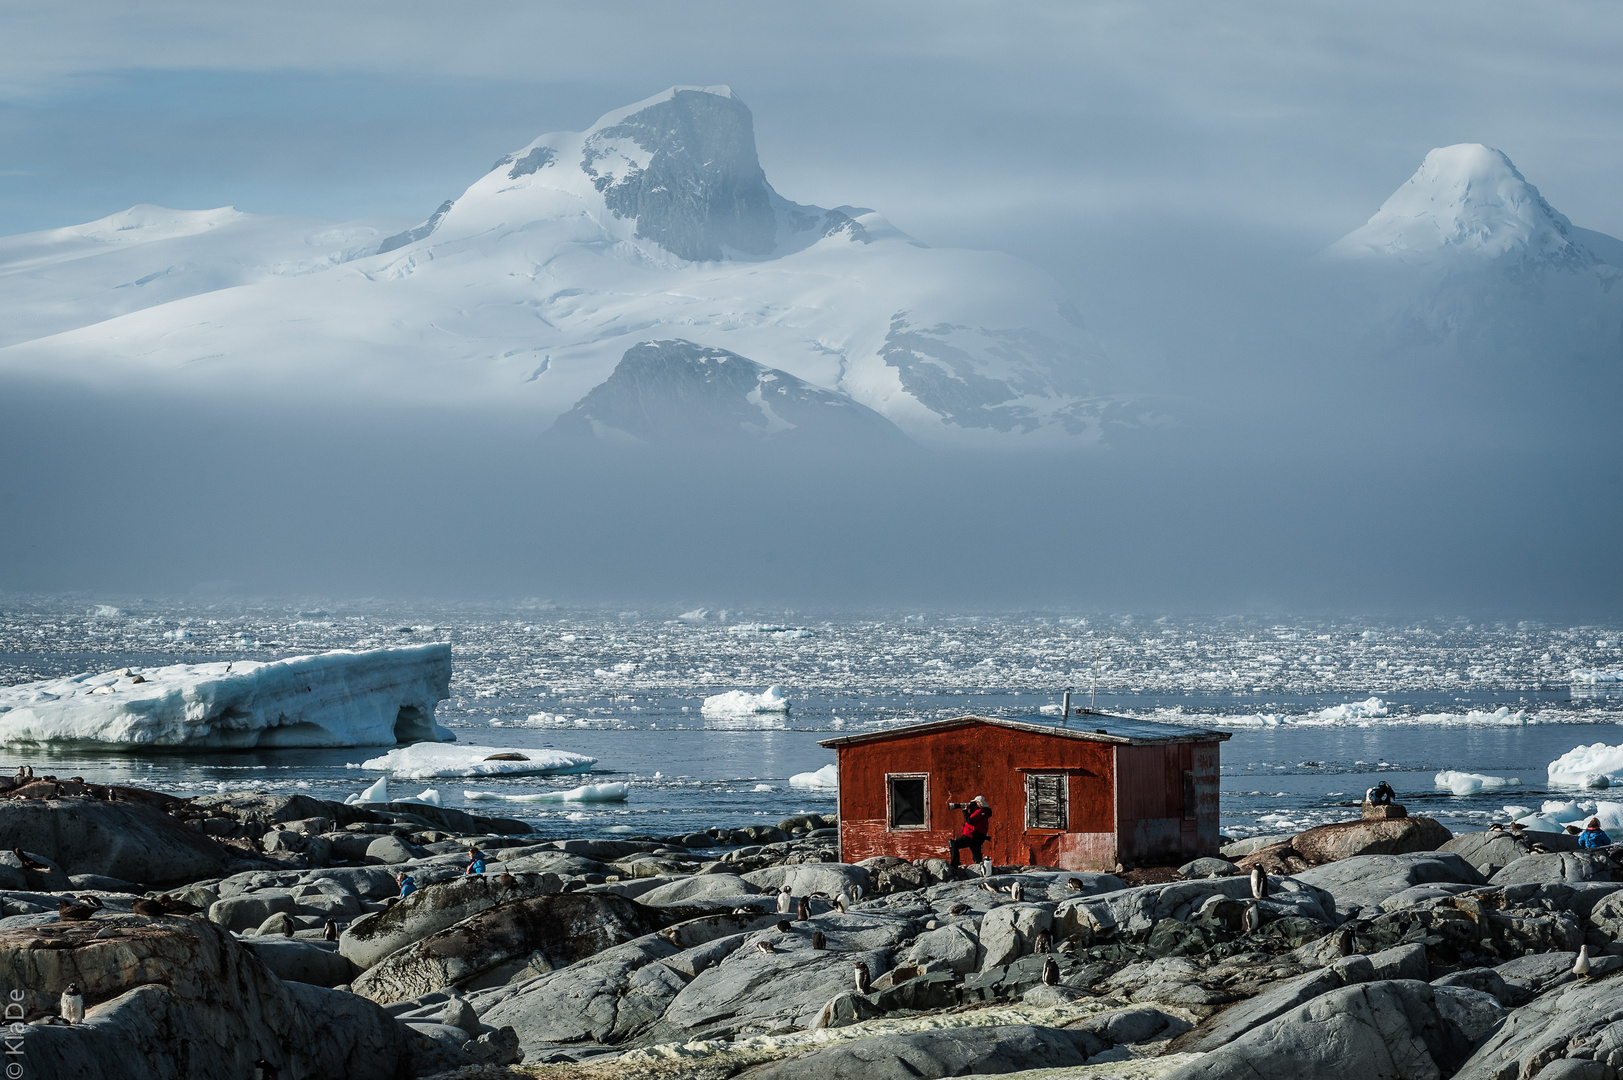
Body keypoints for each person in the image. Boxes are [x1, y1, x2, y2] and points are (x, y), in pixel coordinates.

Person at [948, 795, 992, 868]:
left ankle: (954, 866)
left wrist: (964, 810)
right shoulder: (983, 812)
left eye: (974, 803)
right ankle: (983, 869)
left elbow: (969, 820)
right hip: (977, 837)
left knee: (954, 843)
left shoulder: (980, 811)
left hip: (972, 836)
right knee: (977, 858)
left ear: (979, 803)